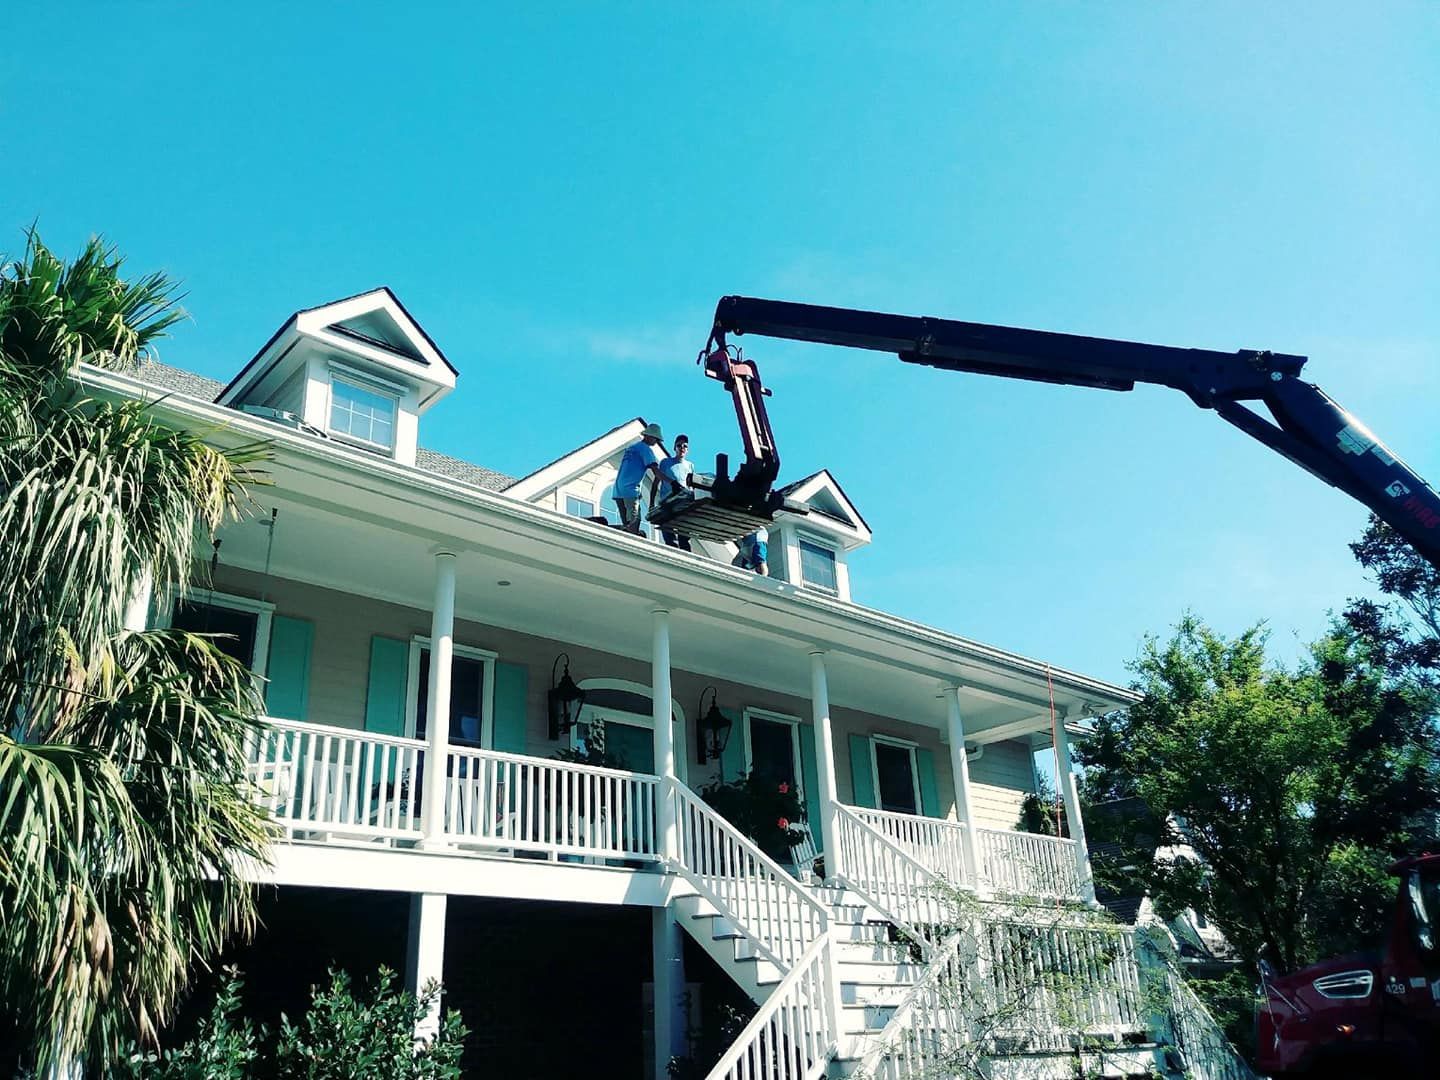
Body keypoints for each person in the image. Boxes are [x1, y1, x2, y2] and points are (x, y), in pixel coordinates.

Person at [613, 422, 665, 533]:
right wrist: (672, 482)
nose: (656, 442)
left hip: (618, 491)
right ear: (650, 436)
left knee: (627, 524)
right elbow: (656, 471)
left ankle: (627, 538)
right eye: (656, 439)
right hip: (631, 491)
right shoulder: (645, 449)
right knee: (635, 521)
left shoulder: (632, 448)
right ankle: (632, 540)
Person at [653, 433, 695, 551]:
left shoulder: (690, 465)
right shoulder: (666, 462)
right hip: (667, 501)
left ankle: (686, 556)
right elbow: (656, 481)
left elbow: (691, 485)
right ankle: (673, 552)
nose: (682, 448)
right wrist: (651, 502)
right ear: (674, 448)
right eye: (679, 445)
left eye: (685, 446)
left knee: (684, 533)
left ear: (687, 449)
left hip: (683, 501)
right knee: (668, 532)